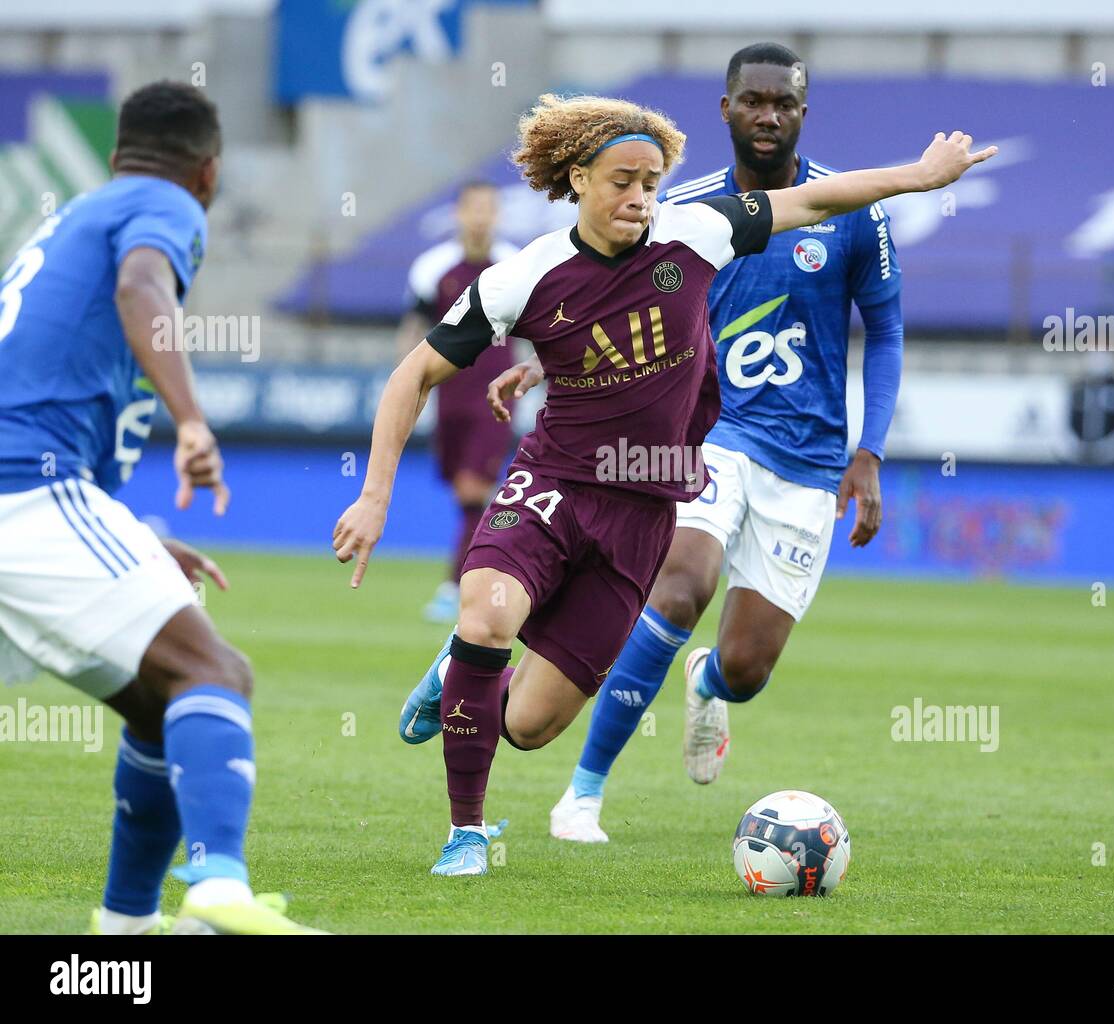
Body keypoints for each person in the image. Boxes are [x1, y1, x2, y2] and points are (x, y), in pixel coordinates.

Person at [335, 91, 994, 877]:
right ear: (578, 178)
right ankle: (467, 832)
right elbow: (414, 373)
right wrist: (374, 495)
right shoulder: (526, 275)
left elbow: (817, 197)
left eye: (651, 180)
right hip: (551, 485)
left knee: (531, 723)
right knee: (489, 614)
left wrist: (920, 176)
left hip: (644, 509)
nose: (640, 197)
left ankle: (457, 672)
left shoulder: (699, 231)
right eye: (622, 180)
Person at [544, 43, 910, 841]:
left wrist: (869, 450)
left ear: (803, 114)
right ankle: (583, 793)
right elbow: (606, 298)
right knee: (678, 588)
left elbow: (884, 329)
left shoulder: (852, 209)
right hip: (710, 436)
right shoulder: (689, 212)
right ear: (726, 110)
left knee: (747, 667)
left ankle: (707, 683)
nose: (769, 115)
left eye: (784, 103)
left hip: (808, 459)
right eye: (754, 101)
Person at [0, 81, 320, 934]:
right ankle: (215, 893)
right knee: (213, 674)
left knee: (157, 703)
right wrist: (192, 422)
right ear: (208, 173)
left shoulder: (75, 215)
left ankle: (124, 938)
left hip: (33, 497)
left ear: (115, 156)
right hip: (21, 498)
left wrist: (131, 533)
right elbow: (144, 288)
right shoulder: (162, 206)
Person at [395, 181, 520, 622]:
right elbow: (414, 330)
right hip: (448, 397)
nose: (482, 216)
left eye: (490, 208)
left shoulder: (515, 264)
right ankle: (487, 572)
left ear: (498, 214)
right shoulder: (433, 268)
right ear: (459, 214)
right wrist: (404, 385)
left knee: (473, 487)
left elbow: (538, 327)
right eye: (474, 208)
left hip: (496, 394)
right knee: (461, 488)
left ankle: (456, 585)